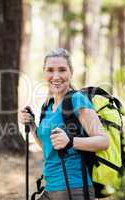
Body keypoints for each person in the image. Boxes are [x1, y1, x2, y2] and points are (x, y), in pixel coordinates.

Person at [19, 48, 109, 200]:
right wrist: (32, 125)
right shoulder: (47, 105)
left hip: (74, 188)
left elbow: (103, 141)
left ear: (70, 73)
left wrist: (71, 141)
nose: (56, 76)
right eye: (50, 70)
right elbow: (47, 146)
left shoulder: (77, 100)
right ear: (44, 73)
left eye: (62, 70)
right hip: (50, 187)